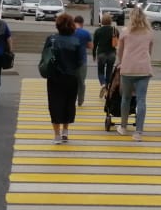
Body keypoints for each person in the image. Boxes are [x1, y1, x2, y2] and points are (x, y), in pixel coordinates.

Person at [116, 5, 154, 142]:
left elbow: (120, 51)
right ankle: (138, 132)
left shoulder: (125, 32)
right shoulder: (149, 33)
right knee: (141, 100)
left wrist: (121, 62)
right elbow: (149, 51)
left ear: (131, 17)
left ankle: (123, 127)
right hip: (144, 69)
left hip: (127, 69)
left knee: (126, 98)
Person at [44, 13, 83, 143]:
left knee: (55, 104)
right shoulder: (76, 41)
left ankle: (57, 135)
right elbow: (80, 61)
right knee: (68, 103)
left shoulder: (51, 39)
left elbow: (45, 57)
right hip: (71, 78)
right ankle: (65, 131)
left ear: (58, 25)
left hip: (54, 78)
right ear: (72, 26)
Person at [92, 13, 119, 97]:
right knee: (109, 72)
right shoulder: (115, 30)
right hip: (112, 54)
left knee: (100, 71)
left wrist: (94, 55)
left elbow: (95, 44)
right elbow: (117, 42)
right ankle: (107, 91)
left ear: (102, 21)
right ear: (110, 21)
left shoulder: (98, 31)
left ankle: (103, 84)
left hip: (101, 54)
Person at [72, 15, 93, 107]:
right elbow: (90, 46)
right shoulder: (86, 33)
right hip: (82, 61)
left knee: (71, 82)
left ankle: (71, 99)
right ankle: (80, 101)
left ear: (74, 22)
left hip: (70, 62)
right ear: (82, 23)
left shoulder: (70, 31)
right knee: (81, 82)